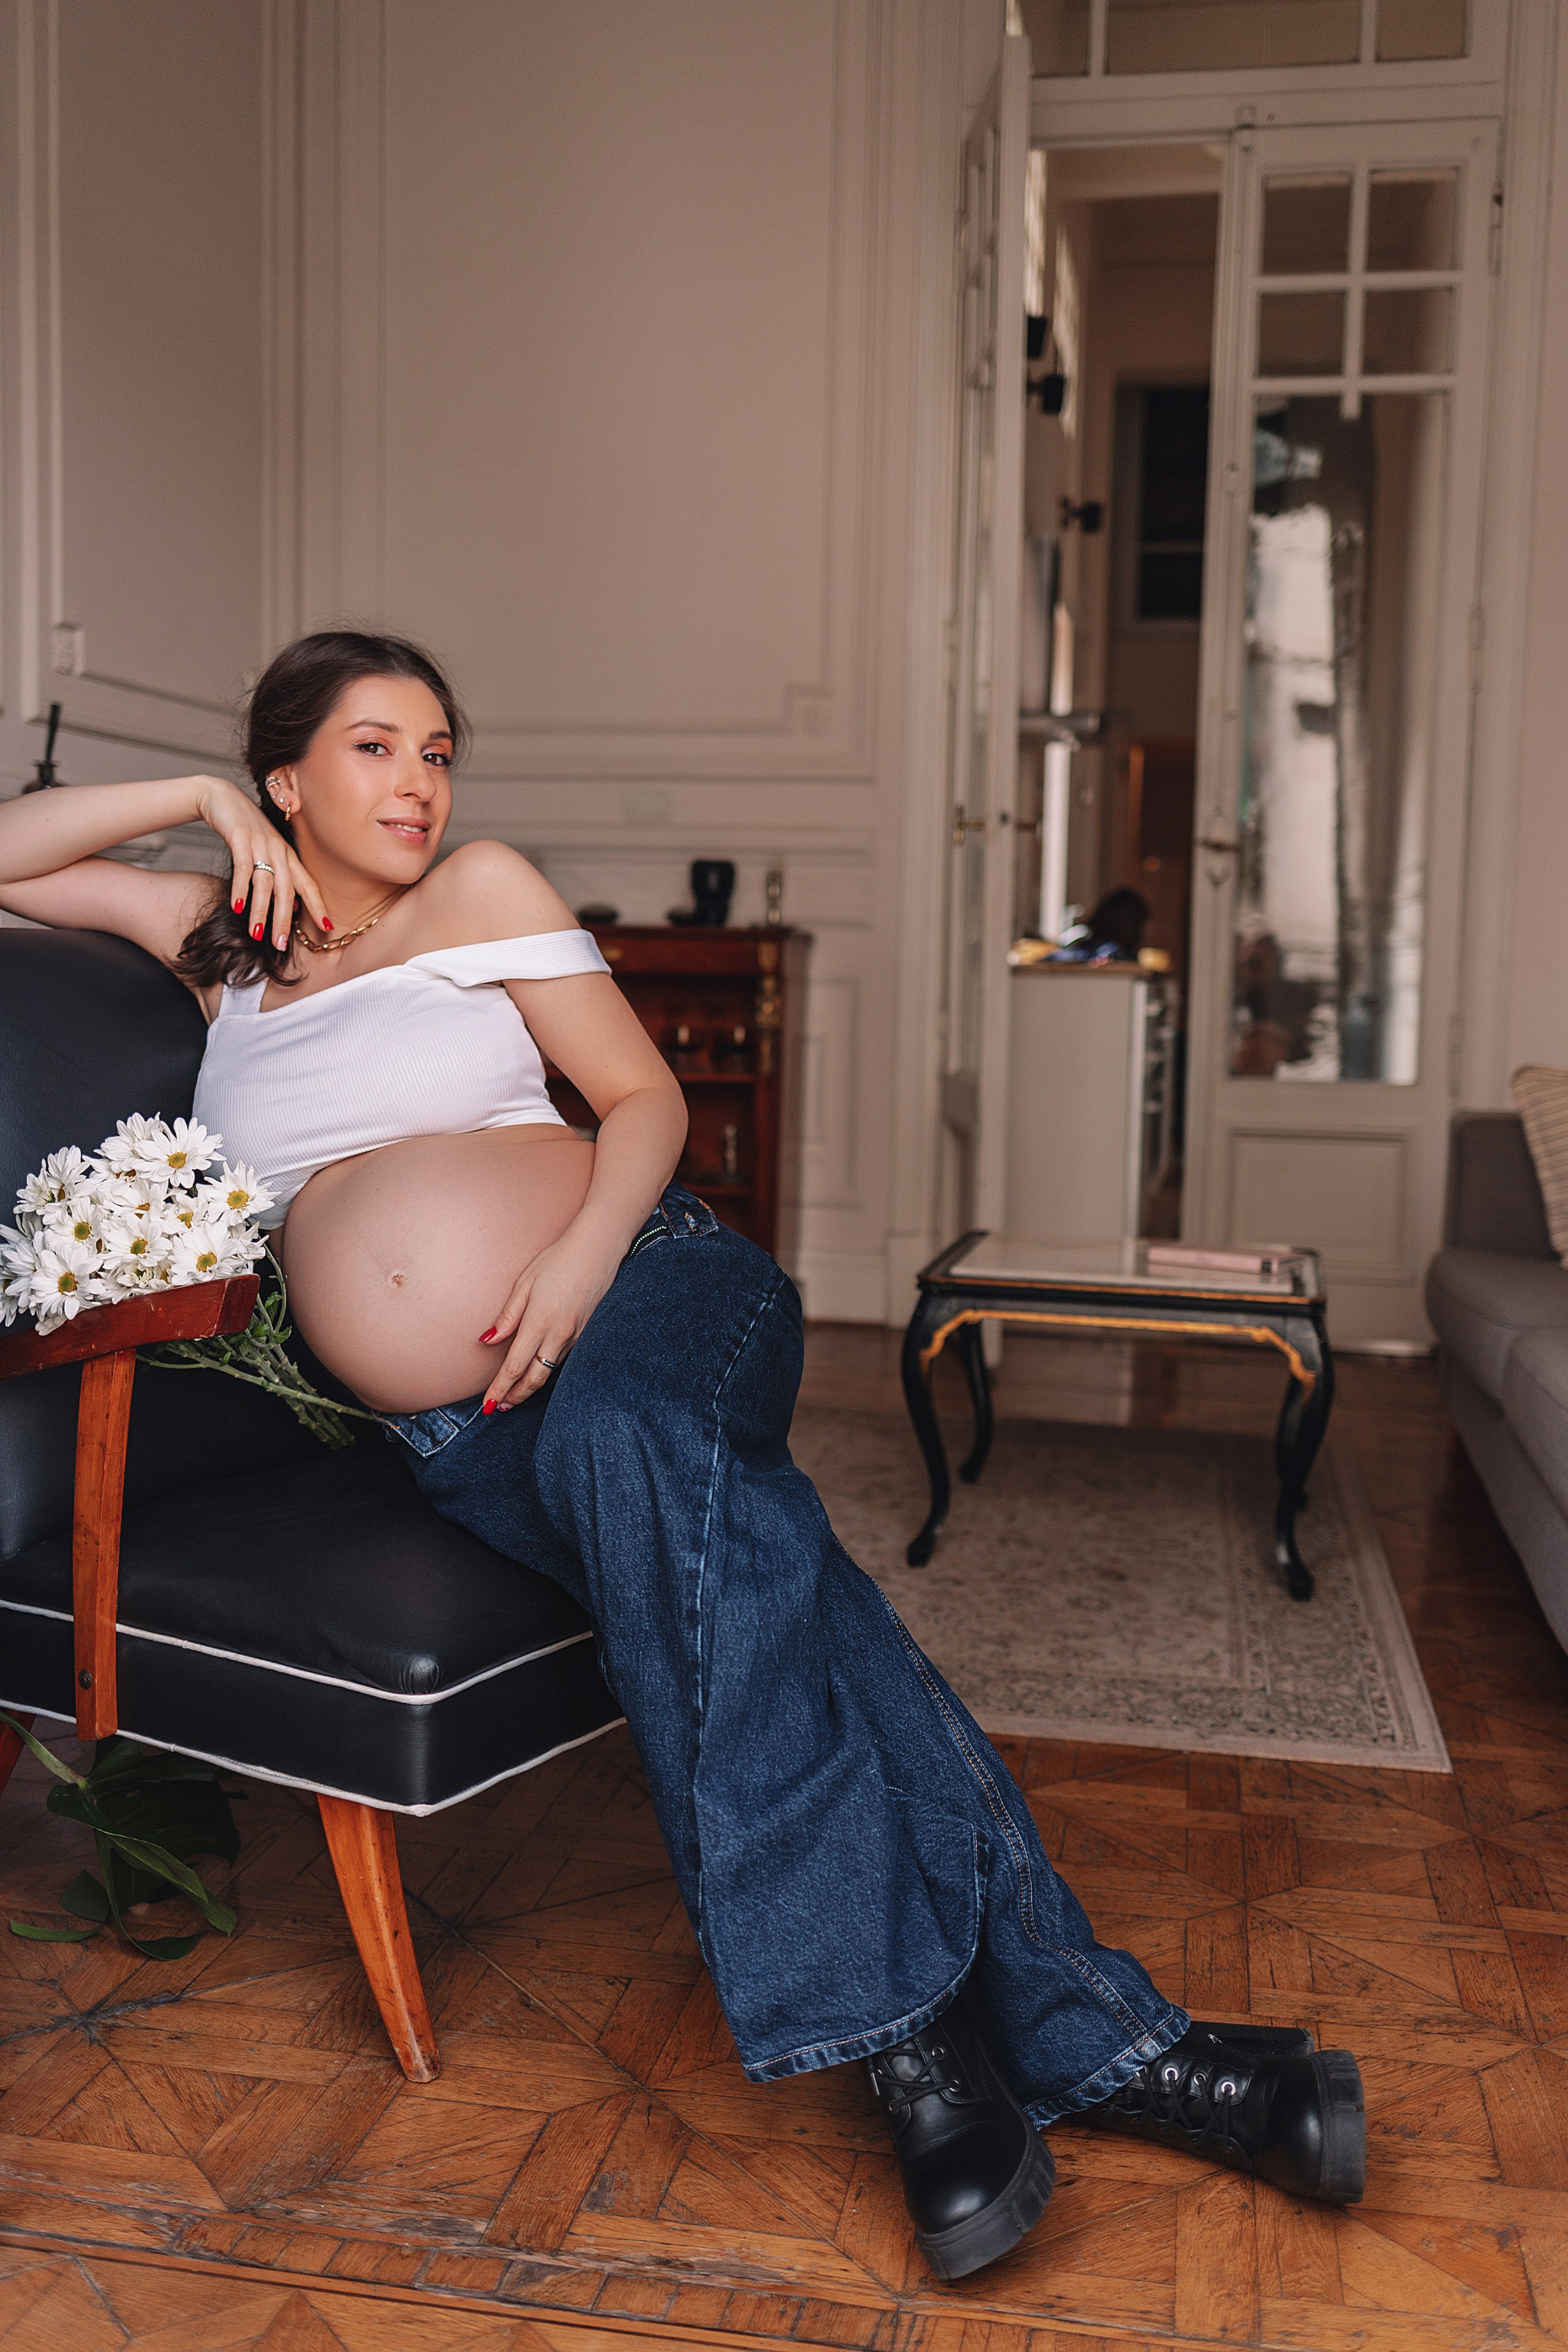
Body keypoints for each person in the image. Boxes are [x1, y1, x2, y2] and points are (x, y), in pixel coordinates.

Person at [0, 630, 1365, 2282]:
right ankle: (1138, 2053)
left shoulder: (484, 890)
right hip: (467, 1422)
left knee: (645, 1443)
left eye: (438, 750)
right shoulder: (219, 943)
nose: (422, 782)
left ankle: (907, 2048)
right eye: (375, 748)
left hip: (649, 1292)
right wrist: (192, 800)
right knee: (775, 1593)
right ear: (290, 775)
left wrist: (572, 1267)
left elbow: (643, 1103)